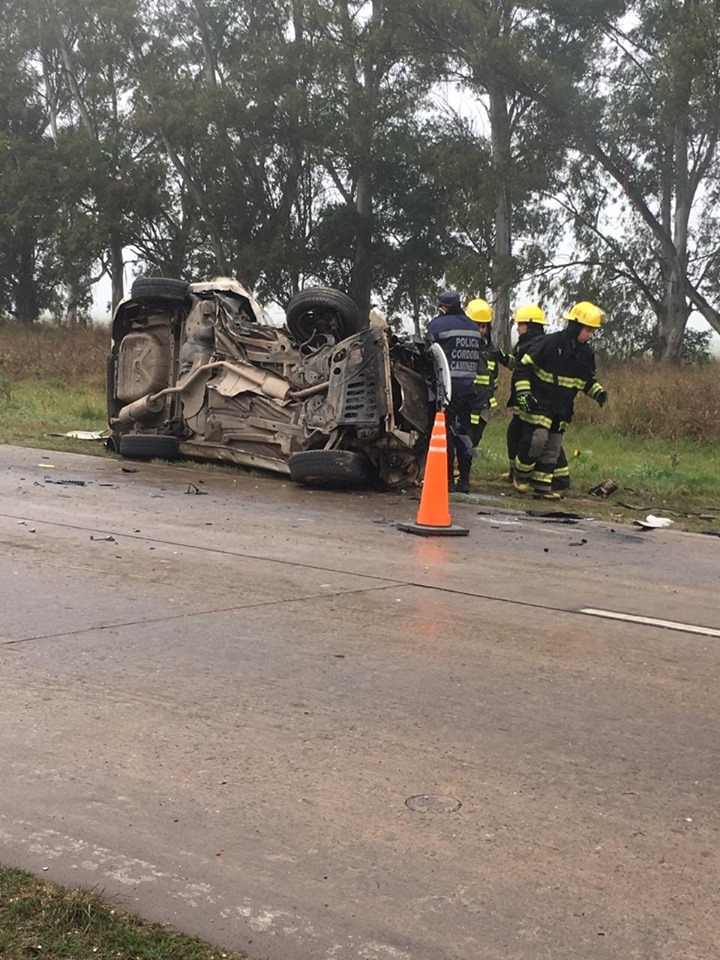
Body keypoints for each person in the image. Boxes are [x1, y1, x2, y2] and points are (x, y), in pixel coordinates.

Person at [510, 301, 609, 499]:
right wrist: (523, 394)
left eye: (593, 331)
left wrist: (598, 393)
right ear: (576, 326)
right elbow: (523, 367)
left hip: (562, 408)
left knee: (552, 448)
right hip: (539, 402)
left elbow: (585, 380)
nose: (591, 335)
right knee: (537, 440)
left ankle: (542, 488)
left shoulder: (586, 354)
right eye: (588, 330)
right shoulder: (550, 343)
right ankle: (520, 476)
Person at [426, 290, 483, 493]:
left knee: (445, 433)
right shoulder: (473, 326)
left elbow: (429, 353)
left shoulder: (438, 325)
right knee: (464, 432)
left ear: (444, 307)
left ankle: (448, 479)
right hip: (468, 390)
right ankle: (464, 480)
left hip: (446, 390)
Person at [464, 298, 514, 449]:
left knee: (475, 438)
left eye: (483, 326)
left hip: (484, 403)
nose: (481, 331)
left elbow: (512, 363)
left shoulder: (492, 350)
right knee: (463, 438)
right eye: (477, 326)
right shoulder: (463, 348)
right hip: (467, 402)